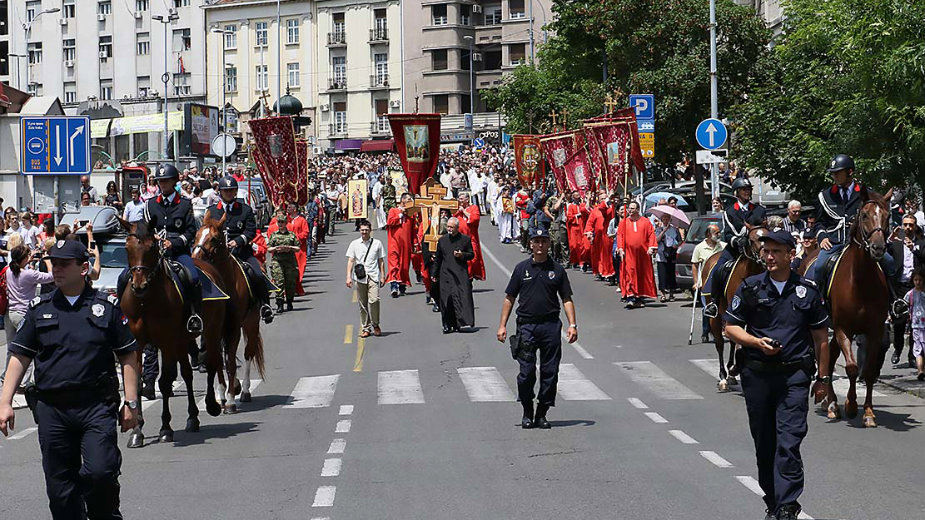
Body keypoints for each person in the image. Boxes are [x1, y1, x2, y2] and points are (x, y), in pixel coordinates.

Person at [0, 239, 141, 519]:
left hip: (96, 407)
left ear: (84, 268)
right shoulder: (40, 308)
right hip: (53, 409)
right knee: (60, 492)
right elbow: (19, 356)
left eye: (65, 263)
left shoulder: (106, 306)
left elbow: (128, 355)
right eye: (54, 262)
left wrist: (131, 402)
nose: (57, 268)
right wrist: (4, 402)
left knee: (100, 473)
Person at [724, 230, 831, 520]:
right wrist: (756, 343)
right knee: (765, 444)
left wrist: (823, 379)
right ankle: (772, 499)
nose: (769, 256)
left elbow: (821, 337)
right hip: (757, 376)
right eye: (766, 251)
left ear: (790, 255)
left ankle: (787, 505)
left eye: (775, 251)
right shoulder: (750, 287)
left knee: (789, 441)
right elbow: (730, 328)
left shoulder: (807, 290)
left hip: (794, 377)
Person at [805, 153, 907, 319]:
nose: (834, 176)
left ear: (850, 172)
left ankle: (894, 301)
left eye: (838, 172)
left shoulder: (866, 194)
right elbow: (819, 222)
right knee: (819, 266)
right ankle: (820, 303)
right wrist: (822, 236)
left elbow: (877, 216)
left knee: (888, 262)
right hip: (834, 242)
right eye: (833, 173)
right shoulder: (825, 195)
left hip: (861, 243)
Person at [497, 227, 577, 429]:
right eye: (536, 241)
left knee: (550, 372)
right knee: (527, 372)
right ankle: (527, 411)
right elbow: (509, 298)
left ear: (549, 244)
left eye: (544, 241)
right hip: (527, 326)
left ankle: (542, 413)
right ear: (530, 244)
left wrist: (572, 325)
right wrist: (502, 326)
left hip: (550, 326)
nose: (540, 245)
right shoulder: (521, 269)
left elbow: (566, 299)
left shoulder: (557, 270)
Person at [139, 163, 203, 332]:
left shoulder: (185, 204)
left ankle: (193, 314)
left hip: (178, 252)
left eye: (166, 181)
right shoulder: (150, 204)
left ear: (174, 181)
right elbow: (144, 229)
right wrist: (153, 237)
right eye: (160, 181)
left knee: (193, 277)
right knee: (127, 276)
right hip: (154, 253)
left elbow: (190, 231)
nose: (163, 184)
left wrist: (173, 243)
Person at [205, 176, 274, 323]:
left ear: (235, 191)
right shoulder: (211, 211)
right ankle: (201, 313)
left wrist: (237, 242)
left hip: (241, 252)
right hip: (218, 255)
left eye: (231, 190)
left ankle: (264, 306)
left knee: (258, 274)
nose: (229, 193)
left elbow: (250, 231)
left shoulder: (245, 210)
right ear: (220, 192)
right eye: (226, 191)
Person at [703, 177, 767, 318]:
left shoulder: (759, 210)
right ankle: (714, 303)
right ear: (736, 192)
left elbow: (763, 230)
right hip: (735, 250)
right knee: (718, 270)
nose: (747, 192)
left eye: (748, 189)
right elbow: (727, 234)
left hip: (755, 250)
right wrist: (737, 242)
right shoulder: (730, 212)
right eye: (744, 189)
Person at [0, 245, 53, 387]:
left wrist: (29, 259)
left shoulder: (9, 270)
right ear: (23, 258)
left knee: (12, 348)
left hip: (10, 313)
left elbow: (21, 268)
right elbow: (50, 277)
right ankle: (23, 383)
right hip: (24, 314)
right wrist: (47, 262)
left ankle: (7, 376)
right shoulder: (29, 274)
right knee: (28, 349)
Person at [889, 215, 925, 366]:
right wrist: (889, 239)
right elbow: (883, 253)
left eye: (911, 225)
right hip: (899, 287)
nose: (908, 228)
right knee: (899, 322)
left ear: (915, 226)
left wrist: (914, 249)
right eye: (905, 225)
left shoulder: (921, 243)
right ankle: (897, 349)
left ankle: (912, 355)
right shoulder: (896, 243)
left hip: (916, 287)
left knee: (914, 323)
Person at [346, 219, 387, 338]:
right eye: (362, 230)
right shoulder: (354, 244)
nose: (364, 232)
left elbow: (381, 261)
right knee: (362, 304)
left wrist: (383, 276)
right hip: (360, 278)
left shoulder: (377, 244)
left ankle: (376, 324)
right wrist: (348, 277)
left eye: (366, 230)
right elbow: (351, 260)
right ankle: (366, 327)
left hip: (373, 276)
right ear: (359, 230)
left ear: (370, 231)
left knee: (374, 300)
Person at [434, 217, 475, 333]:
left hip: (460, 273)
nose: (449, 229)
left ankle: (459, 323)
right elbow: (438, 258)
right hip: (446, 273)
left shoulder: (465, 240)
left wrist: (462, 255)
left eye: (452, 227)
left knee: (461, 298)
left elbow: (471, 255)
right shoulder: (442, 240)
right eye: (448, 227)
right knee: (446, 299)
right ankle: (446, 324)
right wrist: (434, 273)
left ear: (457, 228)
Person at [616, 200, 658, 308]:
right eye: (629, 208)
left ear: (638, 210)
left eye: (632, 208)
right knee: (630, 274)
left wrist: (651, 247)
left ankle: (639, 297)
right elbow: (620, 236)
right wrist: (620, 248)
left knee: (641, 275)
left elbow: (651, 234)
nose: (629, 210)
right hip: (629, 253)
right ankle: (630, 297)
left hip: (642, 254)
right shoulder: (624, 222)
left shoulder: (645, 221)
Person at [692, 224, 725, 342]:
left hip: (720, 282)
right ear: (708, 234)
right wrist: (696, 282)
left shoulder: (723, 246)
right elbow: (695, 265)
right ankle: (705, 331)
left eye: (719, 232)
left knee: (721, 306)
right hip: (705, 283)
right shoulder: (699, 248)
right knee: (708, 307)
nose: (719, 235)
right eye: (716, 233)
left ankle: (720, 329)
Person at [267, 210, 301, 314]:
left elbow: (298, 248)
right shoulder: (274, 235)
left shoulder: (291, 235)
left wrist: (290, 248)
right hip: (278, 261)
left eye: (282, 222)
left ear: (286, 223)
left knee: (290, 282)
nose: (280, 224)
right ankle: (280, 304)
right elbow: (268, 248)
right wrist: (276, 248)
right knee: (279, 282)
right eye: (279, 222)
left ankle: (289, 301)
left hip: (289, 261)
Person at [385, 193, 415, 298]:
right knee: (394, 263)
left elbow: (413, 231)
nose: (410, 201)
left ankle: (402, 287)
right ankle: (394, 286)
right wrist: (400, 214)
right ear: (402, 201)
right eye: (408, 199)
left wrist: (415, 243)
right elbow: (390, 222)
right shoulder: (393, 211)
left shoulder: (411, 215)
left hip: (406, 244)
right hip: (394, 242)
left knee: (404, 265)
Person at [584, 191, 616, 283]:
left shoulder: (613, 208)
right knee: (599, 256)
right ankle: (601, 271)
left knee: (610, 255)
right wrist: (589, 232)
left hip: (610, 235)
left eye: (605, 198)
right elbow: (590, 222)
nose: (604, 200)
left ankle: (611, 273)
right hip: (599, 237)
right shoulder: (596, 210)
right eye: (602, 199)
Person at [454, 192, 486, 281]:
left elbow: (474, 219)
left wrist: (463, 211)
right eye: (459, 198)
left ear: (467, 199)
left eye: (461, 198)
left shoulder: (473, 208)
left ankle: (470, 277)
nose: (459, 200)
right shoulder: (456, 208)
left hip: (471, 238)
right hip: (458, 239)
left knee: (473, 259)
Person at [654, 212, 682, 302]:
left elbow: (680, 240)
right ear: (661, 220)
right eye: (664, 218)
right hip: (661, 254)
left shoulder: (675, 230)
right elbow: (656, 240)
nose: (666, 220)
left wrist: (676, 245)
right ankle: (662, 294)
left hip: (672, 253)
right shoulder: (658, 229)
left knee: (671, 274)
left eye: (667, 218)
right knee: (662, 274)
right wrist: (664, 231)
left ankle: (671, 293)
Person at [904, 267, 925, 380]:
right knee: (918, 349)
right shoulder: (910, 294)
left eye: (920, 280)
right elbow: (903, 305)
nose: (918, 282)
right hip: (916, 326)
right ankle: (920, 371)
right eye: (916, 280)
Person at [565, 190, 589, 270]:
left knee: (582, 245)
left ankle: (582, 261)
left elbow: (586, 211)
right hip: (574, 228)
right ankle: (574, 260)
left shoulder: (582, 204)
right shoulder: (571, 206)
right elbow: (569, 217)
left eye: (578, 196)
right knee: (574, 245)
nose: (577, 198)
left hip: (582, 227)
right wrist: (576, 216)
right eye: (575, 196)